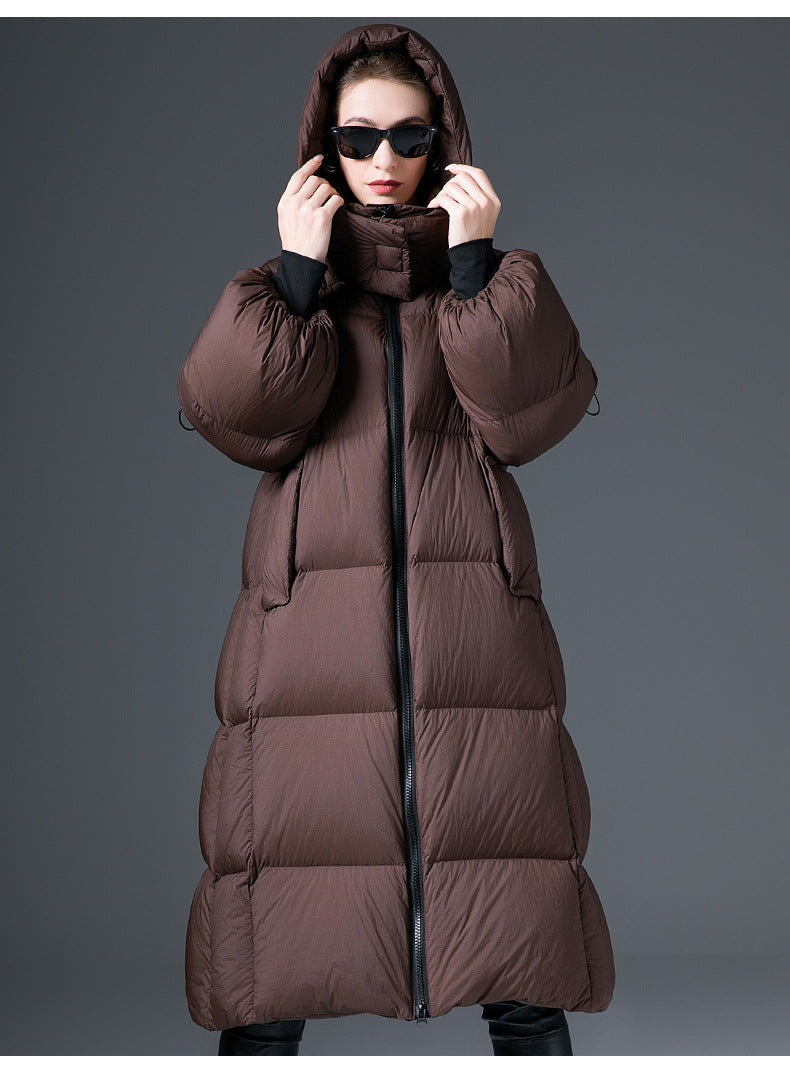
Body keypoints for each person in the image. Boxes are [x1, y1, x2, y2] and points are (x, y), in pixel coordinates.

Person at [177, 22, 614, 1057]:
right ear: (323, 149)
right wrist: (297, 275)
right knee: (270, 957)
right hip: (304, 662)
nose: (384, 160)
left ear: (442, 144)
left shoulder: (493, 286)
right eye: (358, 137)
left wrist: (470, 269)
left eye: (409, 137)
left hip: (479, 658)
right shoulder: (283, 298)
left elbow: (528, 419)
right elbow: (235, 417)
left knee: (519, 949)